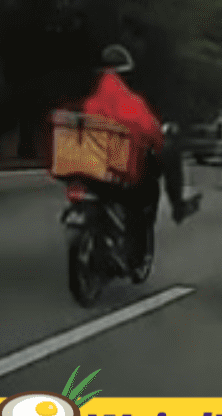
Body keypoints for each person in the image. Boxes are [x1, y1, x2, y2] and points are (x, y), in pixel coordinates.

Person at [78, 44, 189, 280]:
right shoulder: (130, 103)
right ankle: (136, 255)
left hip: (90, 172)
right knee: (144, 197)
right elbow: (152, 133)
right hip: (121, 175)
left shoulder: (90, 103)